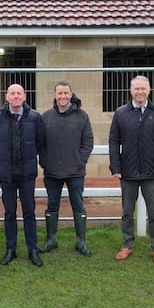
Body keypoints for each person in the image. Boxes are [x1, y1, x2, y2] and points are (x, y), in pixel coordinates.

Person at [108, 75, 154, 265]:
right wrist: (115, 166)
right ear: (131, 91)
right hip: (127, 173)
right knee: (127, 212)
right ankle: (127, 244)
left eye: (143, 88)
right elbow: (113, 141)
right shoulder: (121, 113)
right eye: (136, 88)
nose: (140, 92)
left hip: (151, 173)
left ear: (149, 90)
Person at [0, 83, 46, 267]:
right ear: (7, 97)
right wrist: (4, 157)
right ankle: (10, 249)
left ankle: (32, 249)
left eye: (19, 93)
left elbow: (40, 141)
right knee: (9, 212)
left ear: (25, 96)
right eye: (12, 93)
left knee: (29, 212)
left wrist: (27, 157)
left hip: (27, 174)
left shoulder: (35, 117)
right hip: (7, 174)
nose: (16, 96)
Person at [38, 80, 94, 256]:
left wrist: (80, 161)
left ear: (71, 94)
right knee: (52, 205)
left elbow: (88, 142)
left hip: (75, 172)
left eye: (66, 93)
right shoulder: (46, 117)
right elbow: (41, 144)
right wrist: (45, 162)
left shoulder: (82, 116)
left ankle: (81, 241)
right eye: (59, 93)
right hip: (52, 172)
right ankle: (51, 240)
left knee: (78, 205)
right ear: (55, 95)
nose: (63, 96)